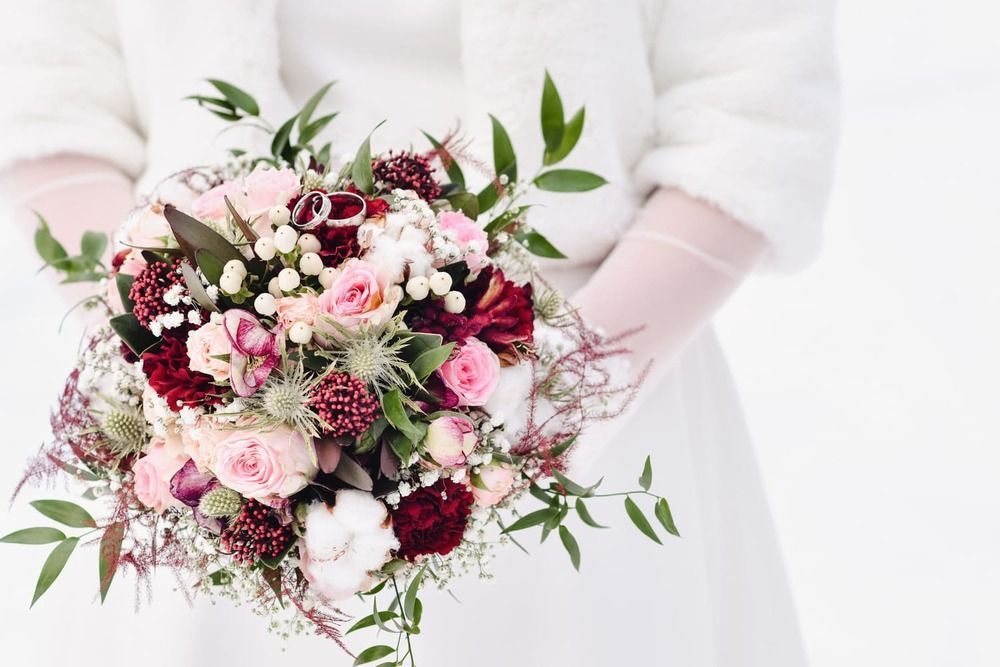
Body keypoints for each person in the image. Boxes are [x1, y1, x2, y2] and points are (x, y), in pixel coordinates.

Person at [0, 1, 838, 665]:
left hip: (591, 374)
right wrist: (168, 350)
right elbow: (52, 107)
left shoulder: (570, 393)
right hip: (204, 446)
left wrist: (561, 396)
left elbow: (750, 115)